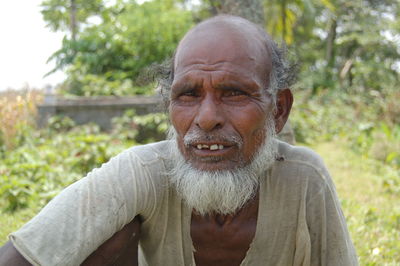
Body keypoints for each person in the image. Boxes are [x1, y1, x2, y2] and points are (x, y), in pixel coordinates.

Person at [0, 15, 358, 266]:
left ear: (278, 110)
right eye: (187, 95)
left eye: (233, 93)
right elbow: (26, 256)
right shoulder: (144, 171)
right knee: (107, 234)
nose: (206, 118)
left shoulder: (304, 179)